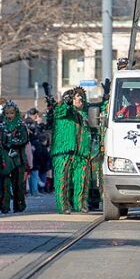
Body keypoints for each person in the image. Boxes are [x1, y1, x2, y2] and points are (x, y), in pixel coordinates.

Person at [49, 85, 86, 214]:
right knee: (62, 180)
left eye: (81, 97)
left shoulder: (83, 113)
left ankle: (79, 204)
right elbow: (60, 111)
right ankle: (63, 206)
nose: (80, 99)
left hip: (80, 152)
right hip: (63, 151)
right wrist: (66, 103)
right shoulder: (63, 110)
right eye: (76, 97)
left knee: (80, 179)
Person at [0, 101, 28, 214]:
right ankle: (4, 206)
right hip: (5, 158)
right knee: (5, 184)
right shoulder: (2, 126)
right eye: (7, 113)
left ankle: (19, 205)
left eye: (12, 113)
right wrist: (3, 146)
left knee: (18, 184)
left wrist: (12, 142)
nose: (9, 115)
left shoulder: (21, 125)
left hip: (18, 158)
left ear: (16, 113)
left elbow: (24, 140)